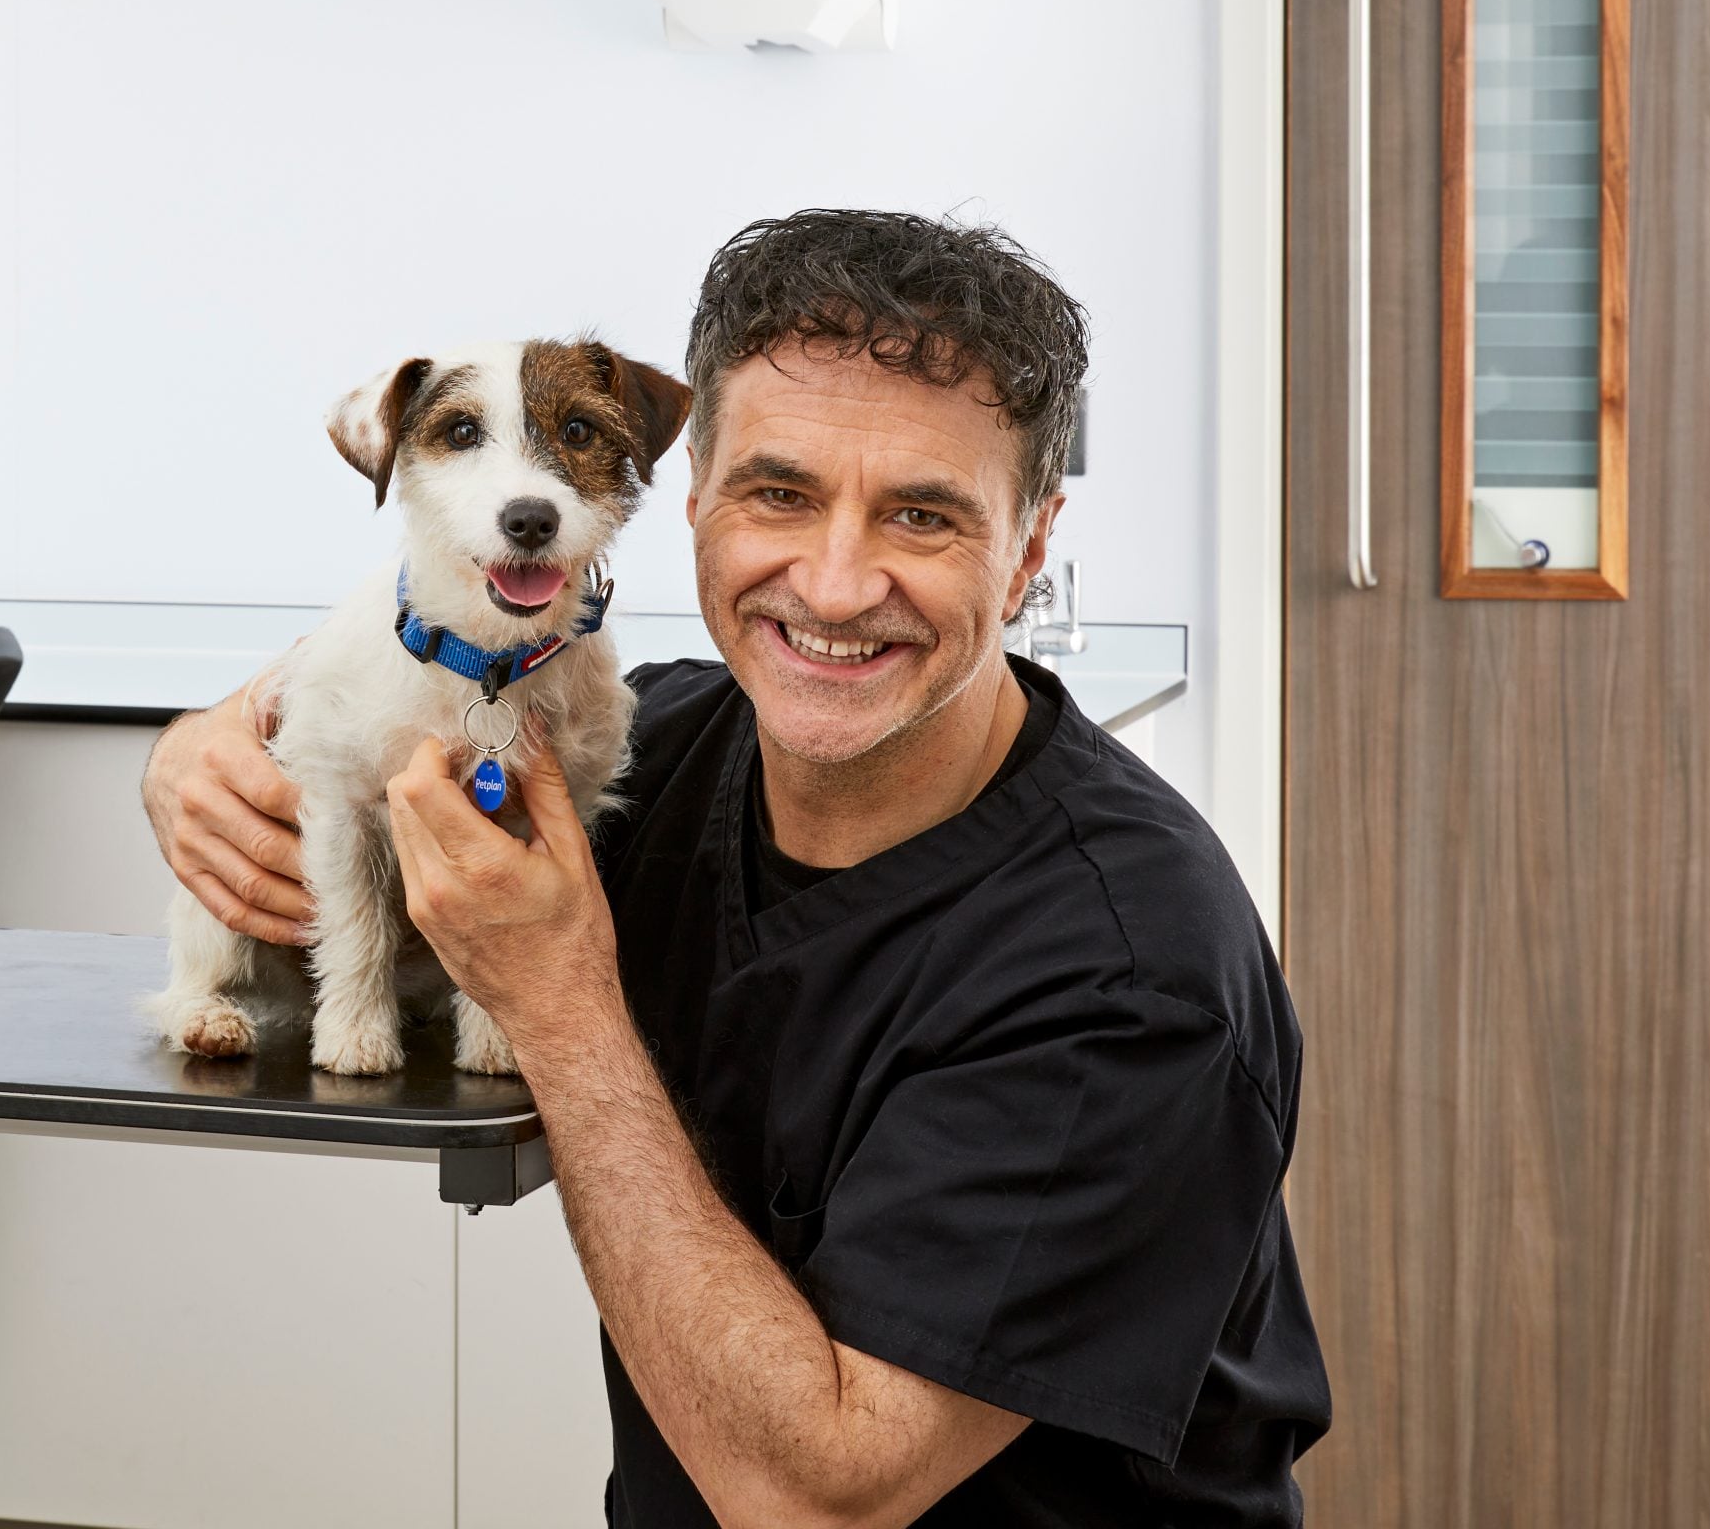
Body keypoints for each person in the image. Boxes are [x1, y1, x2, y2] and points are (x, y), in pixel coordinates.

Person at [141, 210, 1328, 1526]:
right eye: (780, 493)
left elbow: (810, 1502)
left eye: (922, 515)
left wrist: (558, 995)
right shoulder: (660, 749)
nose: (831, 584)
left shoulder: (1127, 975)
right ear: (691, 495)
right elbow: (392, 681)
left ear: (1029, 549)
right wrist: (197, 749)